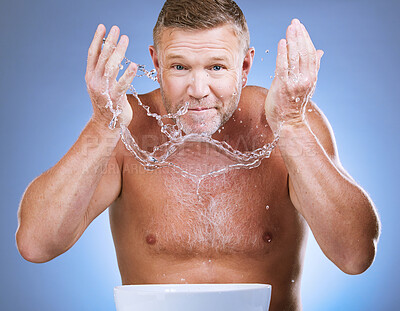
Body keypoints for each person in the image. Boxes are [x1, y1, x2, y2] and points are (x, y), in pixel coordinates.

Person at [16, 0, 381, 310]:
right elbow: (36, 244)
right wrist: (101, 127)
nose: (198, 90)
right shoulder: (122, 124)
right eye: (180, 67)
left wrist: (293, 124)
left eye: (216, 68)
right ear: (155, 64)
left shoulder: (285, 120)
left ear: (245, 66)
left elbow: (354, 255)